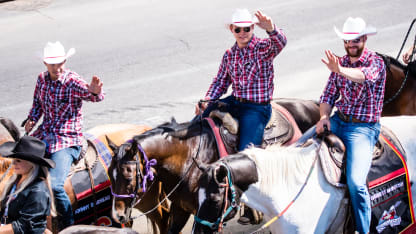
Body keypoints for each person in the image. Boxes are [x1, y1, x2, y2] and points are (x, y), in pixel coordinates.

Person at [24, 41, 105, 229]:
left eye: (60, 63)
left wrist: (95, 91)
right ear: (45, 64)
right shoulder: (41, 79)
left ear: (65, 61)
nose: (57, 67)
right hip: (44, 134)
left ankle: (68, 225)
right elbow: (37, 104)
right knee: (18, 164)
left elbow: (91, 95)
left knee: (56, 185)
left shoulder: (72, 80)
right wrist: (31, 120)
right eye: (53, 64)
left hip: (67, 140)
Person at [316, 17, 386, 234]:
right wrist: (324, 116)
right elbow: (327, 96)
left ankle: (363, 230)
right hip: (339, 120)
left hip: (363, 129)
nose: (350, 45)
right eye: (347, 41)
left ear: (364, 38)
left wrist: (339, 70)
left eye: (355, 40)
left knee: (356, 183)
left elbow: (363, 77)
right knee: (301, 144)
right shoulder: (340, 64)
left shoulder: (376, 62)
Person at [195, 8, 287, 151]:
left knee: (246, 152)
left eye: (246, 29)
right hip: (235, 101)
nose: (242, 33)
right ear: (232, 29)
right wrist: (208, 100)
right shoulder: (229, 54)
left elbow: (280, 43)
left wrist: (271, 28)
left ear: (252, 27)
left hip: (256, 108)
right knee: (199, 121)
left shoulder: (262, 48)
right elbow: (221, 81)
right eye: (238, 29)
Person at [0, 135, 56, 234]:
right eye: (14, 160)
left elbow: (25, 226)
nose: (13, 164)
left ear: (31, 164)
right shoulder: (14, 183)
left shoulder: (38, 190)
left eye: (18, 161)